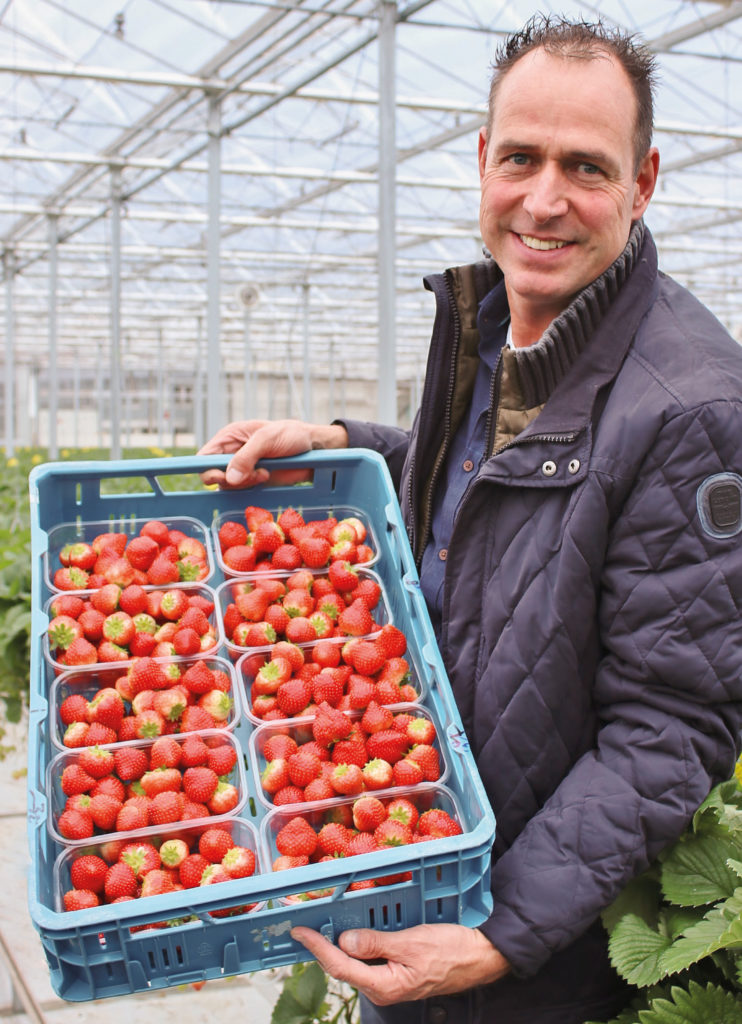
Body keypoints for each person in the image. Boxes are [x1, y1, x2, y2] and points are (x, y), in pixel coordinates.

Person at [200, 14, 742, 1024]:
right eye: (521, 157)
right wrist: (346, 440)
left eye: (586, 167)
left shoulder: (693, 408)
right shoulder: (496, 324)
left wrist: (499, 934)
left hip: (523, 953)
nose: (544, 199)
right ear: (481, 160)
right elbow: (504, 497)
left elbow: (671, 724)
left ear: (645, 180)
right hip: (408, 838)